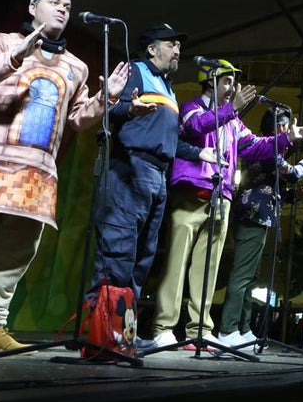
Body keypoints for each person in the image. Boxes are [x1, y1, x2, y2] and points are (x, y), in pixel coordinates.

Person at [0, 0, 133, 355]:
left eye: (68, 5)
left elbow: (78, 121)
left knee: (12, 258)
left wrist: (107, 98)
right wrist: (15, 55)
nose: (63, 9)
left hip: (35, 175)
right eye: (55, 2)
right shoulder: (0, 40)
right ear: (33, 8)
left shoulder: (76, 66)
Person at [87, 24, 216, 316]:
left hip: (158, 176)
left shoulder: (167, 88)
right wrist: (130, 110)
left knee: (144, 254)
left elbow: (168, 139)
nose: (178, 51)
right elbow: (110, 110)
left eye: (179, 46)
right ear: (152, 49)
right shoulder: (135, 71)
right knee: (119, 247)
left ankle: (124, 327)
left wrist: (199, 152)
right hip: (131, 169)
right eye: (171, 45)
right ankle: (101, 327)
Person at [149, 58, 259, 348]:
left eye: (233, 82)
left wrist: (286, 139)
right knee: (176, 263)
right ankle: (164, 326)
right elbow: (197, 126)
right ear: (209, 81)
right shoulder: (191, 107)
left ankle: (200, 329)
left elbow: (254, 145)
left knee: (208, 268)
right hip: (191, 193)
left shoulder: (233, 118)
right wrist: (231, 109)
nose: (232, 87)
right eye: (226, 81)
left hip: (220, 197)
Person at [217, 105, 303, 348]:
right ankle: (228, 329)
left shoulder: (266, 148)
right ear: (277, 127)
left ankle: (242, 328)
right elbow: (289, 172)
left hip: (257, 216)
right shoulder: (265, 148)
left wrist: (293, 196)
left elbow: (271, 186)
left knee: (250, 277)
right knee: (243, 275)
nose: (286, 130)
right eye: (284, 126)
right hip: (252, 217)